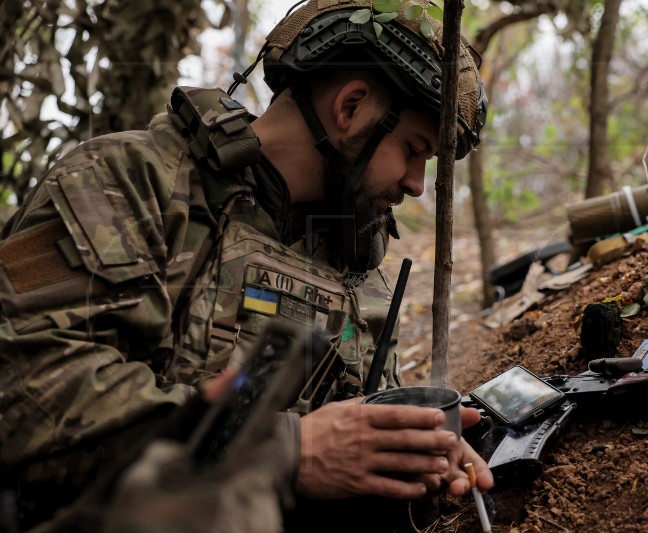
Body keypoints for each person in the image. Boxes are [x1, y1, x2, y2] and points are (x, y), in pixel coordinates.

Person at [0, 0, 492, 530]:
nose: (417, 183)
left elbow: (344, 438)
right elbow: (30, 392)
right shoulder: (129, 184)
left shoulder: (351, 264)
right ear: (351, 108)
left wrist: (404, 451)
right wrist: (286, 449)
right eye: (413, 149)